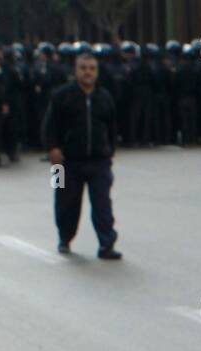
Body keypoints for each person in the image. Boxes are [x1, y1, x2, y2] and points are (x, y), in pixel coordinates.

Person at [42, 51, 121, 260]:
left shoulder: (104, 96)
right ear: (75, 70)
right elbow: (49, 126)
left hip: (99, 161)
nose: (88, 73)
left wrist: (109, 150)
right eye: (83, 68)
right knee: (64, 202)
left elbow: (112, 126)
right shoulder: (61, 96)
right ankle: (64, 238)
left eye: (92, 69)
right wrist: (52, 148)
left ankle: (107, 244)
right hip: (64, 163)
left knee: (103, 204)